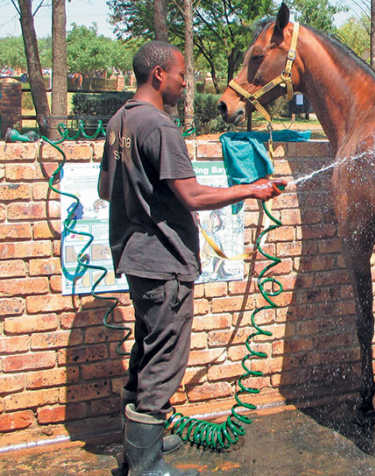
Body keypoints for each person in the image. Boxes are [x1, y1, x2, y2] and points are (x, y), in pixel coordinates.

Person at [97, 40, 285, 476]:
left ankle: (143, 442)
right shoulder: (160, 127)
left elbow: (109, 190)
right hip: (164, 264)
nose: (187, 81)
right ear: (159, 74)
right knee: (164, 361)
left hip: (136, 259)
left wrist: (147, 200)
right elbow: (193, 194)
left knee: (146, 351)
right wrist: (252, 189)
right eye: (183, 73)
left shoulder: (119, 121)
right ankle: (145, 467)